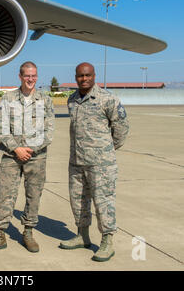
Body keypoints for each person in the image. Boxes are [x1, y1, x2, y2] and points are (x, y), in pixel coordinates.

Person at [0, 61, 55, 254]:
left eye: (34, 76)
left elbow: (49, 131)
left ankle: (28, 232)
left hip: (36, 156)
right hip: (11, 156)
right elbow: (2, 128)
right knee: (4, 194)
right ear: (20, 76)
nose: (30, 79)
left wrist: (30, 148)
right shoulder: (9, 98)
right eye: (27, 76)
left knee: (33, 195)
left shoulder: (44, 100)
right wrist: (17, 149)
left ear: (37, 77)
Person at [59, 62, 129, 262]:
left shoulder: (107, 99)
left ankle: (107, 241)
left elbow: (121, 128)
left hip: (101, 163)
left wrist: (106, 150)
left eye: (88, 75)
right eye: (80, 76)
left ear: (94, 76)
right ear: (76, 77)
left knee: (103, 201)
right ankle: (82, 235)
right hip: (77, 161)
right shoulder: (72, 100)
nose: (84, 79)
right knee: (78, 200)